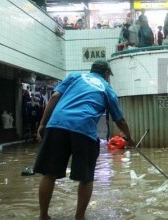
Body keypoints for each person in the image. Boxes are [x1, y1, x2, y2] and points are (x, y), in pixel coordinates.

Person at [33, 60, 134, 220]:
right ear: (107, 74)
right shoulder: (107, 89)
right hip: (84, 130)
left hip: (57, 124)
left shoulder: (74, 76)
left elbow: (54, 96)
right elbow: (119, 120)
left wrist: (43, 123)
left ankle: (43, 216)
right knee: (86, 178)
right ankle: (79, 217)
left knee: (49, 174)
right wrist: (129, 137)